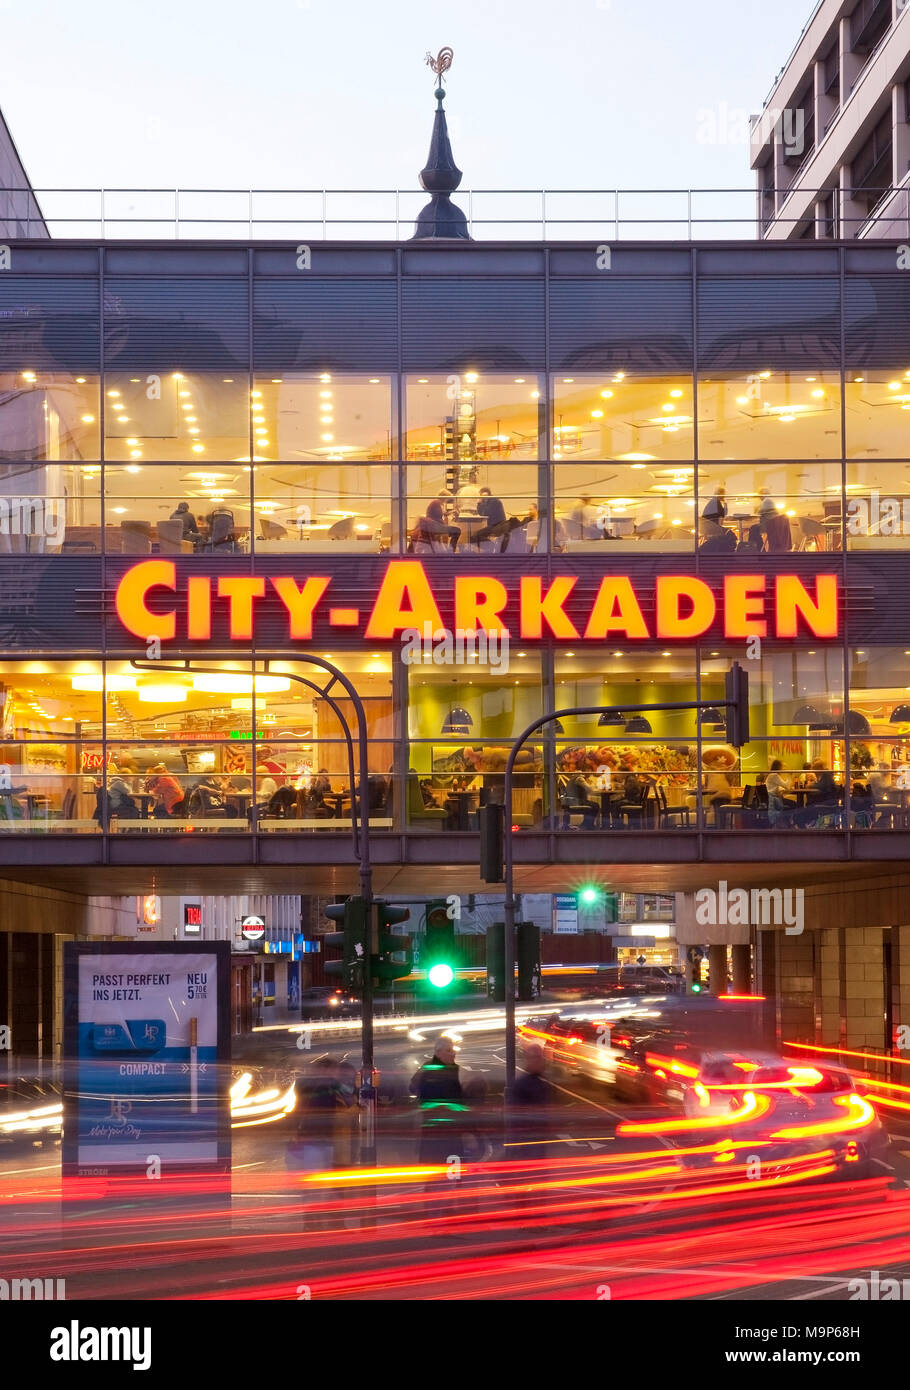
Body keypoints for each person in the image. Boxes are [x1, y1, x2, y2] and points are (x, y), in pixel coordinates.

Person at [409, 1034, 464, 1165]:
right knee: (437, 1164)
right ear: (438, 1053)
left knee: (450, 1168)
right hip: (436, 1128)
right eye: (449, 1050)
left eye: (453, 1050)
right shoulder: (429, 1068)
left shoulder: (452, 1069)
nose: (453, 1053)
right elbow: (412, 1086)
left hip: (450, 1128)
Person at [766, 759, 792, 826]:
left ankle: (787, 823)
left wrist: (781, 789)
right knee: (793, 804)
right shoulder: (774, 775)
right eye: (783, 766)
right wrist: (789, 776)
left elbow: (775, 786)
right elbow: (787, 786)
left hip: (771, 797)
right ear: (778, 767)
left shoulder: (772, 775)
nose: (785, 769)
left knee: (792, 804)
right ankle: (789, 824)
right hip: (773, 798)